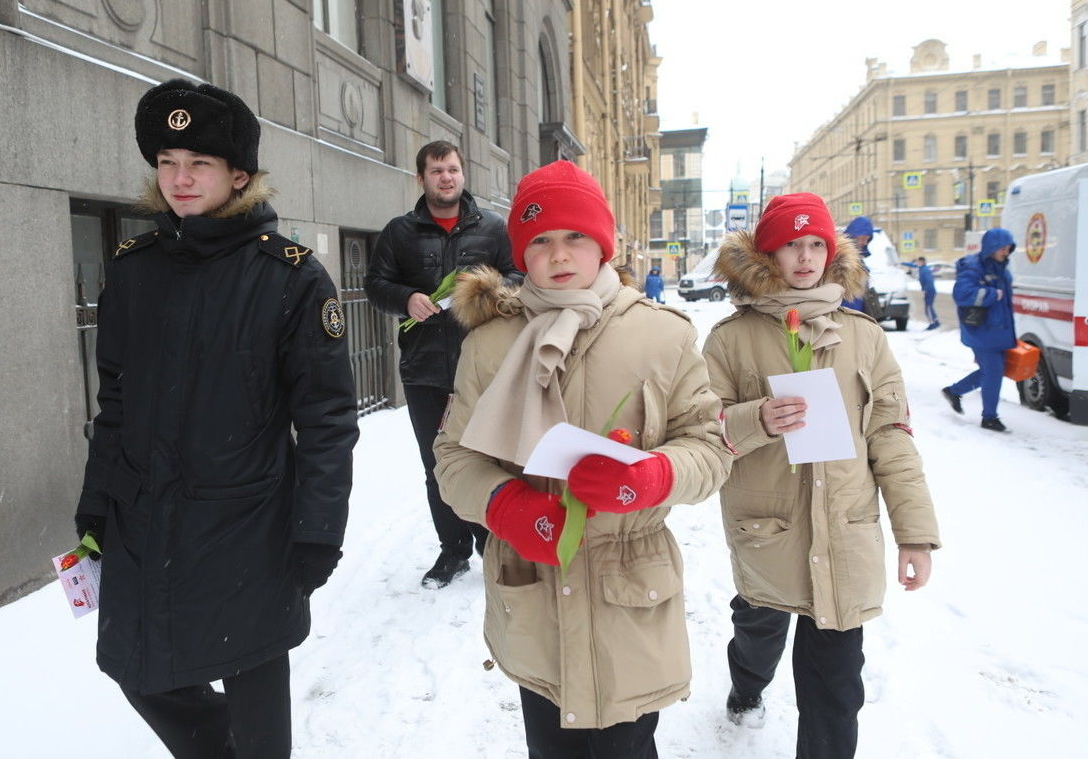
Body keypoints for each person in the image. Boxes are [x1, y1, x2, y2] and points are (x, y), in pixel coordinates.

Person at [75, 79, 358, 758]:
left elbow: (327, 419)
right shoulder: (135, 272)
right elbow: (114, 401)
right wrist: (96, 504)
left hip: (247, 522)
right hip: (146, 514)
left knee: (254, 681)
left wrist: (318, 531)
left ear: (239, 175)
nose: (179, 178)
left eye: (198, 164)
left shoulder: (290, 278)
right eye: (168, 162)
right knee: (134, 667)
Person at [434, 160, 734, 758]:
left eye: (576, 236)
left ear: (605, 243)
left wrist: (652, 477)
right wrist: (506, 505)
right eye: (540, 240)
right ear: (522, 253)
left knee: (627, 747)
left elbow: (710, 446)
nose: (560, 253)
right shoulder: (491, 343)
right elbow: (452, 458)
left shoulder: (663, 334)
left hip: (629, 588)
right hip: (534, 592)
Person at [700, 192, 940, 758]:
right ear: (767, 254)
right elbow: (701, 428)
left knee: (836, 683)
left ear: (831, 253)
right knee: (758, 634)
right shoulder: (730, 340)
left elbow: (891, 435)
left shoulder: (864, 335)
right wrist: (755, 418)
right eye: (790, 244)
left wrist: (915, 532)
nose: (804, 257)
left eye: (815, 244)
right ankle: (746, 688)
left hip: (845, 532)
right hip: (769, 530)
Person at [365, 141, 521, 588]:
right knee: (438, 466)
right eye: (436, 171)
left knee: (489, 459)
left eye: (453, 169)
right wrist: (405, 298)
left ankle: (493, 545)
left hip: (483, 372)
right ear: (421, 178)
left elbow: (518, 277)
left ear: (463, 174)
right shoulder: (400, 231)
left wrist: (484, 288)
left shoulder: (492, 228)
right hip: (425, 371)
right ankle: (452, 551)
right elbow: (375, 284)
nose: (446, 178)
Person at [942, 228, 1017, 432]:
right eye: (1002, 248)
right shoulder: (974, 267)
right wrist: (993, 294)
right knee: (993, 373)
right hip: (982, 330)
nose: (1006, 252)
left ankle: (954, 391)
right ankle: (989, 417)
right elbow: (962, 294)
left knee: (992, 371)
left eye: (1008, 248)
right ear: (992, 247)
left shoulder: (1001, 267)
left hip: (998, 329)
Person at [839, 215, 874, 313]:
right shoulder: (841, 255)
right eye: (863, 238)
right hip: (846, 311)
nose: (865, 243)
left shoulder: (859, 258)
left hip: (857, 311)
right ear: (853, 236)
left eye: (867, 239)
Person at [902, 255, 940, 330]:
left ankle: (933, 323)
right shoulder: (921, 267)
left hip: (929, 291)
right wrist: (901, 263)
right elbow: (912, 265)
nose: (917, 263)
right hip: (929, 290)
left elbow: (929, 281)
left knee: (928, 308)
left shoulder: (925, 270)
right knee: (929, 307)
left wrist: (926, 290)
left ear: (922, 262)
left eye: (918, 262)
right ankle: (935, 321)